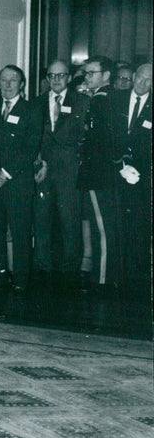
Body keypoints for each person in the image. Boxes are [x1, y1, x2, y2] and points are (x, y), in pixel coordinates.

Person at [0, 65, 42, 294]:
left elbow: (30, 148)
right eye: (3, 80)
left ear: (22, 85)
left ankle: (21, 281)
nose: (7, 85)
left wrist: (5, 174)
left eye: (13, 80)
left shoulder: (32, 109)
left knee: (20, 232)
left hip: (18, 181)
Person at [31, 60, 90, 288]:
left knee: (70, 222)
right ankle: (43, 268)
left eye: (61, 75)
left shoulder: (82, 102)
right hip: (43, 169)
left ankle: (69, 272)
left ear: (68, 77)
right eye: (52, 75)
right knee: (41, 219)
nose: (56, 80)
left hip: (69, 172)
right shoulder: (35, 103)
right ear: (47, 78)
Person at [109, 63, 151, 294]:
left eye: (149, 80)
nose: (143, 83)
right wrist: (121, 164)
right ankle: (119, 274)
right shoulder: (115, 99)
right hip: (117, 171)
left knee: (140, 226)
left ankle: (138, 277)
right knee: (116, 222)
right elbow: (107, 135)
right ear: (134, 76)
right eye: (141, 77)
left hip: (144, 178)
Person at [78, 55, 118, 291]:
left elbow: (97, 141)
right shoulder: (104, 99)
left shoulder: (100, 101)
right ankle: (102, 276)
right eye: (86, 73)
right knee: (99, 225)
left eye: (91, 73)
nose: (87, 77)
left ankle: (102, 279)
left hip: (98, 173)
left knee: (102, 227)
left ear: (106, 76)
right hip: (101, 172)